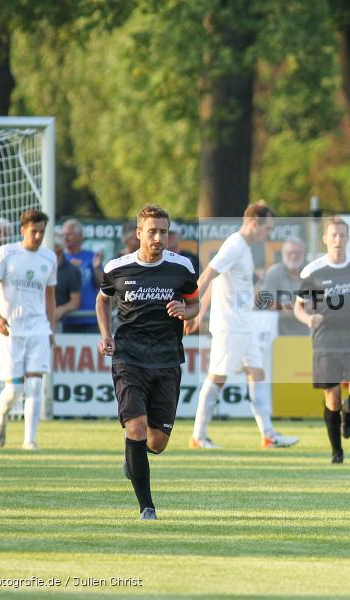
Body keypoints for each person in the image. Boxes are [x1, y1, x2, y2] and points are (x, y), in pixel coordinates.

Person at [96, 204, 199, 520]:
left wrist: (187, 312)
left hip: (167, 360)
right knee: (136, 428)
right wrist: (106, 334)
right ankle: (147, 508)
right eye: (152, 231)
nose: (158, 238)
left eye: (163, 232)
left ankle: (134, 457)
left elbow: (195, 305)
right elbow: (103, 299)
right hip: (129, 358)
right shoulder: (117, 268)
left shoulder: (181, 267)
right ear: (138, 233)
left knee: (157, 443)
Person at [186, 203, 299, 450]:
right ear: (254, 223)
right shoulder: (235, 244)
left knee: (257, 374)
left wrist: (200, 311)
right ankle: (199, 436)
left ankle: (268, 435)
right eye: (267, 228)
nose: (268, 234)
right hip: (230, 326)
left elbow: (216, 283)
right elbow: (206, 277)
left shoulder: (245, 248)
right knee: (217, 377)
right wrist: (191, 310)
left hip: (245, 325)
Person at [293, 217, 350, 464]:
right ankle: (336, 453)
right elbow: (298, 308)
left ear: (348, 238)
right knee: (331, 399)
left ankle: (349, 411)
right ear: (325, 239)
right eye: (333, 235)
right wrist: (308, 319)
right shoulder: (312, 271)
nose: (338, 240)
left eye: (342, 235)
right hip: (326, 342)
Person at [0, 210, 57, 452]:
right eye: (33, 231)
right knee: (15, 389)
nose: (38, 236)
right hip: (11, 329)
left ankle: (30, 440)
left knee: (36, 385)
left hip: (38, 328)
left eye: (41, 232)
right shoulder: (7, 253)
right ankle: (1, 418)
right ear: (22, 230)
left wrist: (51, 328)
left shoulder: (49, 258)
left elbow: (50, 297)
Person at [259, 239, 309, 335]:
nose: (293, 256)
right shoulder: (273, 273)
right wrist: (294, 308)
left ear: (303, 254)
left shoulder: (309, 273)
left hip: (306, 328)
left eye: (297, 253)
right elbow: (266, 301)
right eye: (289, 253)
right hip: (278, 329)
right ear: (283, 254)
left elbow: (318, 301)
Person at [61, 219, 103, 333]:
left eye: (69, 234)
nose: (65, 238)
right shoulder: (59, 258)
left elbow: (103, 284)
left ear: (80, 236)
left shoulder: (91, 257)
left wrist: (96, 268)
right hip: (65, 318)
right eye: (63, 235)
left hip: (90, 318)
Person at [53, 234, 82, 324]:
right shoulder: (39, 267)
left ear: (59, 249)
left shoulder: (72, 271)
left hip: (66, 323)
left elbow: (75, 301)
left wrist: (61, 310)